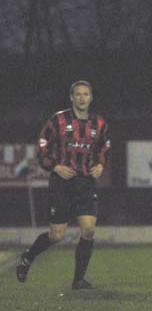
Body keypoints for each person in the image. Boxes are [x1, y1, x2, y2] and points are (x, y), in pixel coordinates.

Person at [16, 81, 111, 290]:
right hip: (62, 183)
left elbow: (104, 148)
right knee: (57, 235)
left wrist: (101, 165)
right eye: (78, 94)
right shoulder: (58, 120)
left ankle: (78, 280)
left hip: (85, 183)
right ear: (71, 97)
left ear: (91, 98)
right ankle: (27, 257)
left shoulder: (100, 123)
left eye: (86, 94)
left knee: (88, 230)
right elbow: (42, 148)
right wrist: (55, 166)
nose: (82, 98)